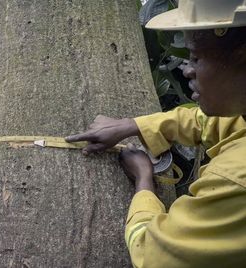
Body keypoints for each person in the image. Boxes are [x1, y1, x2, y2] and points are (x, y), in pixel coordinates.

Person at [65, 1, 246, 267]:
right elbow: (206, 121)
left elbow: (152, 254)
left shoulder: (235, 179)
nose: (187, 70)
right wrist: (134, 125)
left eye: (196, 57)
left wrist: (144, 182)